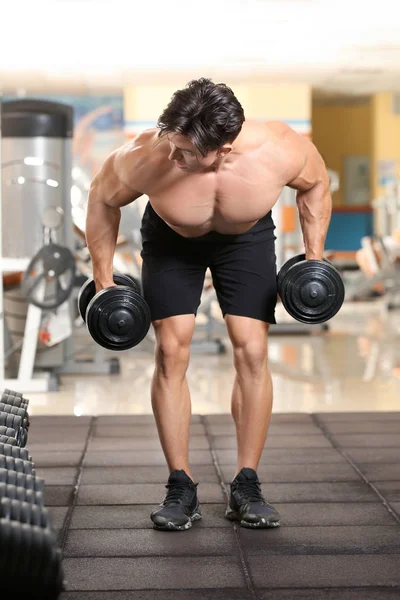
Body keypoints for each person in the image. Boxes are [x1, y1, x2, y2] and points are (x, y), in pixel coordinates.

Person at [86, 78, 332, 532]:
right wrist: (104, 283)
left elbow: (315, 186)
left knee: (252, 350)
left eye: (186, 153)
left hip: (247, 239)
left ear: (224, 148)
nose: (173, 156)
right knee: (171, 352)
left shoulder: (279, 147)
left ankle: (247, 483)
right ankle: (181, 485)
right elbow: (102, 200)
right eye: (172, 144)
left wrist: (313, 261)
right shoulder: (147, 155)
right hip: (171, 239)